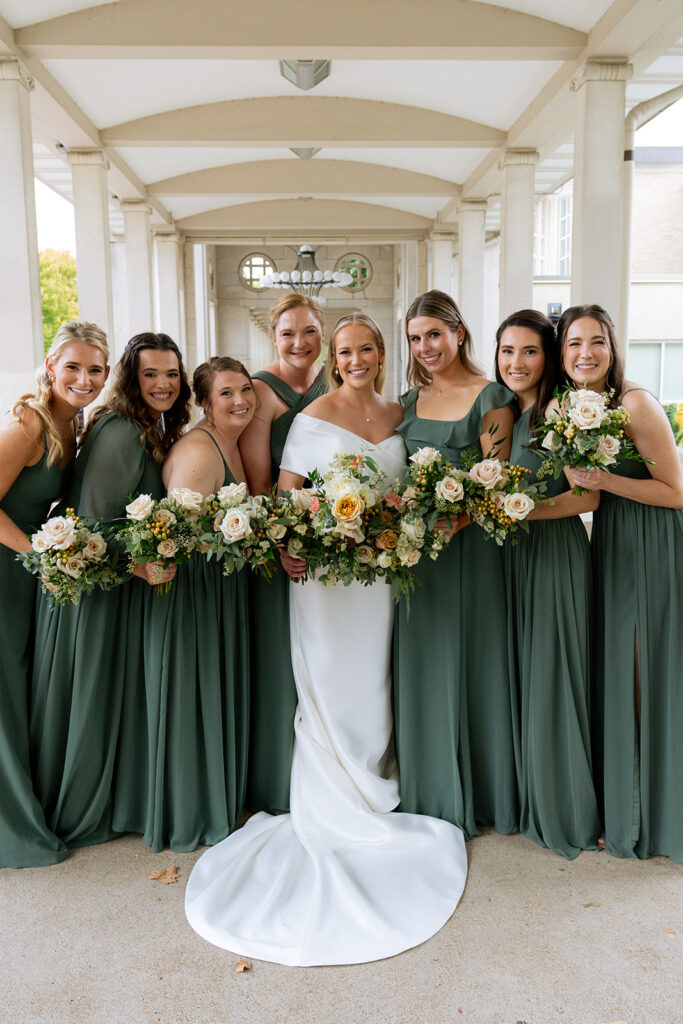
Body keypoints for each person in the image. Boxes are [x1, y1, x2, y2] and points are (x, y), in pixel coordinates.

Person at [185, 314, 467, 966]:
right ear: (335, 359)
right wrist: (290, 543)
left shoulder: (400, 411)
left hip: (378, 575)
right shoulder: (311, 418)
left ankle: (374, 787)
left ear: (379, 352)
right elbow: (287, 499)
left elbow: (405, 493)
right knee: (330, 682)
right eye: (346, 350)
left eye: (367, 347)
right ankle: (335, 805)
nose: (358, 357)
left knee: (373, 684)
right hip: (322, 578)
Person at [30, 333, 191, 850]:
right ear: (130, 377)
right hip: (90, 587)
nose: (163, 384)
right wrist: (139, 565)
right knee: (90, 693)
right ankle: (79, 804)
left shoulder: (145, 426)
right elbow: (93, 523)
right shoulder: (122, 430)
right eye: (151, 374)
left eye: (172, 374)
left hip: (107, 585)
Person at [557, 304, 683, 863]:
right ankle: (627, 805)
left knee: (644, 666)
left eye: (597, 342)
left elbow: (677, 490)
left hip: (653, 541)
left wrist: (605, 480)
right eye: (573, 344)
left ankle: (650, 816)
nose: (586, 353)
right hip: (615, 541)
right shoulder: (579, 409)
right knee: (623, 667)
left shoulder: (634, 403)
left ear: (613, 347)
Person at [392, 290, 518, 838]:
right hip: (414, 556)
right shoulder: (404, 401)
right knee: (419, 663)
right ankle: (428, 787)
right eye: (416, 339)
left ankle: (482, 791)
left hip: (469, 552)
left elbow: (497, 477)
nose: (425, 347)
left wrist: (456, 519)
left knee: (472, 662)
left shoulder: (491, 397)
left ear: (459, 332)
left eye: (434, 335)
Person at [0, 321, 109, 868]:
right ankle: (10, 824)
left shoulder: (79, 424)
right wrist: (40, 556)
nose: (84, 378)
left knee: (17, 688)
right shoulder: (28, 423)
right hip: (6, 562)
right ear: (50, 367)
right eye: (73, 367)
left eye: (95, 369)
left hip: (24, 570)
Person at [136, 357, 254, 852]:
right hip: (191, 592)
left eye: (245, 389)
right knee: (191, 693)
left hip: (218, 588)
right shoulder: (199, 451)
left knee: (211, 689)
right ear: (204, 402)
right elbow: (172, 533)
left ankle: (216, 795)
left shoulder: (231, 440)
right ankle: (190, 811)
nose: (239, 400)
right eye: (225, 393)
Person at [495, 309, 601, 858]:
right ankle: (527, 792)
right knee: (525, 674)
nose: (516, 362)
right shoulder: (509, 412)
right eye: (508, 351)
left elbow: (588, 496)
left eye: (529, 351)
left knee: (553, 673)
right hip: (512, 559)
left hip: (554, 554)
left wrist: (517, 511)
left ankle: (564, 809)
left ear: (550, 356)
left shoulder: (560, 409)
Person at [239, 293, 327, 814]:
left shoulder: (333, 383)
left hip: (335, 537)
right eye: (289, 333)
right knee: (282, 657)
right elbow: (257, 483)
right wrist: (281, 545)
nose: (299, 343)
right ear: (274, 336)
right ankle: (278, 779)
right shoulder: (260, 391)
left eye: (310, 332)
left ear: (323, 334)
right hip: (281, 544)